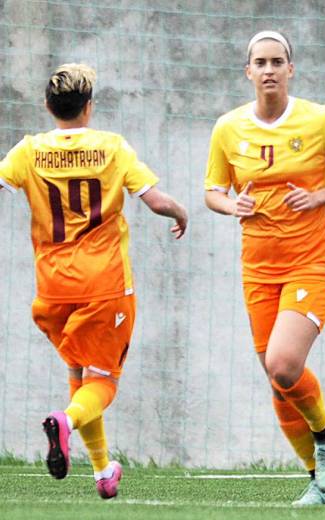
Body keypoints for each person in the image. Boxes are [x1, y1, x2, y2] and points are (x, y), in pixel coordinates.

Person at [0, 63, 188, 499]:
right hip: (104, 286)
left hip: (52, 289)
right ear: (89, 107)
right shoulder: (112, 147)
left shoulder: (28, 151)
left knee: (79, 374)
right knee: (102, 383)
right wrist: (180, 211)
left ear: (48, 106)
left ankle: (103, 471)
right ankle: (65, 422)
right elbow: (155, 201)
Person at [203, 31, 325, 506]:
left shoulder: (320, 121)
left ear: (291, 69)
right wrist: (230, 205)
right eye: (261, 62)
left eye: (278, 61)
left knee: (283, 364)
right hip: (258, 268)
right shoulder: (228, 128)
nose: (270, 69)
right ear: (249, 72)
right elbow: (212, 190)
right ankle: (321, 478)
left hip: (313, 262)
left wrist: (318, 196)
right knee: (279, 385)